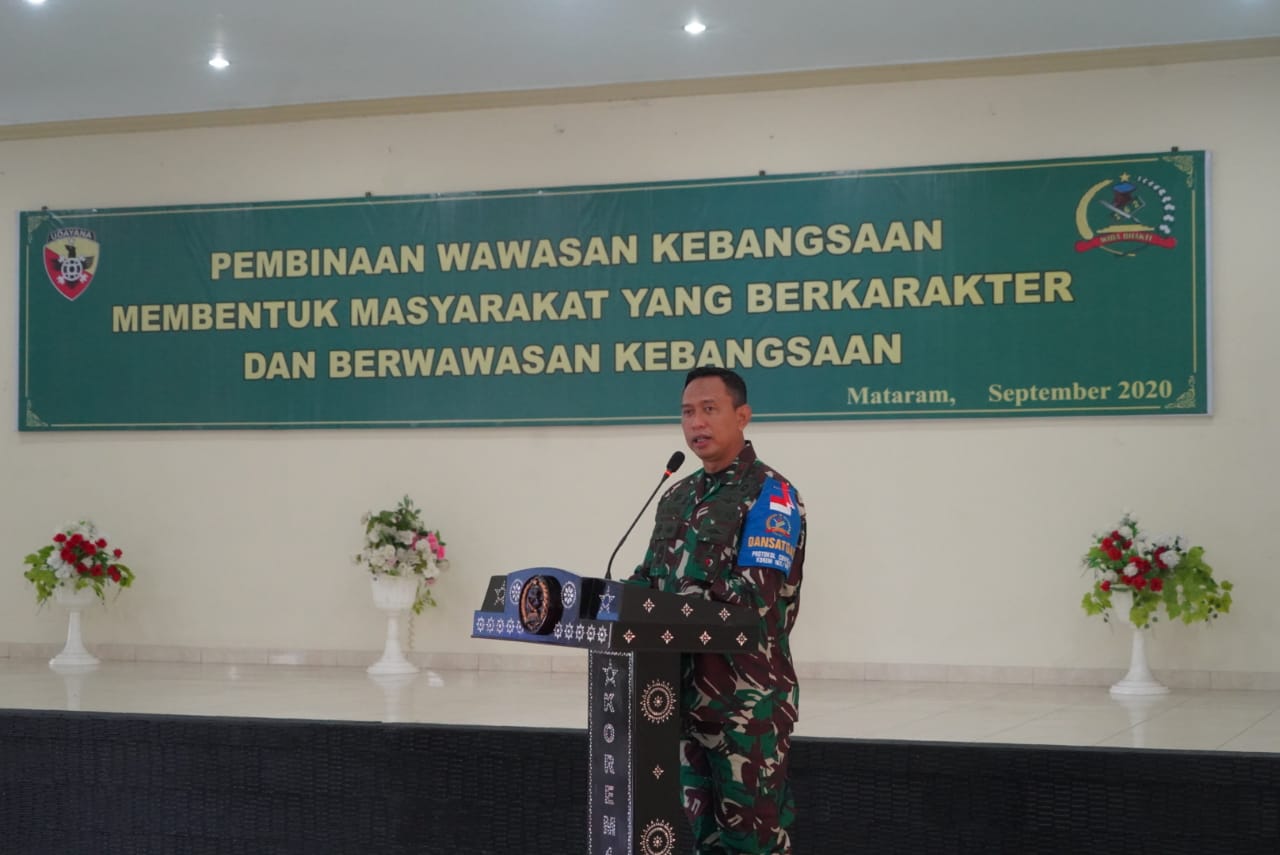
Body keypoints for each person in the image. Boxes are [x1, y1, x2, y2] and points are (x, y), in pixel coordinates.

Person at [628, 366, 806, 855]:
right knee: (706, 842)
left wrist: (669, 601)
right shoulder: (676, 496)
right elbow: (649, 579)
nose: (696, 423)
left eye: (709, 409)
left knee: (753, 843)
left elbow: (753, 597)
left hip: (745, 708)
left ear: (742, 416)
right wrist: (606, 600)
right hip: (679, 699)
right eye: (687, 412)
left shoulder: (772, 495)